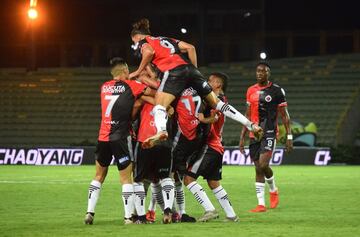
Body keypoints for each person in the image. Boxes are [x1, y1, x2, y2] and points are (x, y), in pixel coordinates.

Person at [129, 18, 263, 149]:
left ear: (137, 37)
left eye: (134, 42)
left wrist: (137, 71)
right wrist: (194, 73)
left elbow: (149, 52)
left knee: (159, 106)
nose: (136, 45)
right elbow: (191, 48)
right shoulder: (166, 39)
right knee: (218, 103)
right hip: (191, 70)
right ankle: (251, 125)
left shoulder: (144, 42)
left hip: (172, 71)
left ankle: (161, 130)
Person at [84, 57, 155, 225]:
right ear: (124, 71)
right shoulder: (131, 85)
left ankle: (89, 212)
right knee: (126, 179)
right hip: (121, 137)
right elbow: (153, 94)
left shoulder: (104, 87)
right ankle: (128, 217)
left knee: (99, 176)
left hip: (103, 137)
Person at [183, 72, 239, 222]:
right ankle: (232, 215)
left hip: (210, 146)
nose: (207, 82)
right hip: (217, 147)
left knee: (188, 178)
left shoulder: (217, 100)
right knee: (213, 183)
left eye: (211, 81)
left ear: (218, 84)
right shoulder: (222, 100)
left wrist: (202, 118)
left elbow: (214, 119)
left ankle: (210, 210)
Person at [239, 62, 293, 213]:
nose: (260, 73)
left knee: (263, 165)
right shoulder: (250, 90)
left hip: (269, 132)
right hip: (253, 133)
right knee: (257, 168)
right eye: (258, 71)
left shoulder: (276, 91)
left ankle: (273, 189)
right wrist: (242, 137)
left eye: (263, 71)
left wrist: (289, 136)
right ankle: (261, 205)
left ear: (268, 73)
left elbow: (284, 115)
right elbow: (247, 115)